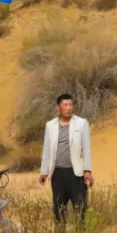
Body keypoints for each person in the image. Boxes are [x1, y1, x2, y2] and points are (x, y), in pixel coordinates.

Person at [40, 93, 93, 223]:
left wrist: (87, 170)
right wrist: (44, 172)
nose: (68, 108)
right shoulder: (50, 125)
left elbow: (86, 148)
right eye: (65, 105)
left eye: (70, 105)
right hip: (58, 173)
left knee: (80, 208)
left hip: (76, 173)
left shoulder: (81, 123)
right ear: (58, 107)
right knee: (59, 209)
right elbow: (46, 149)